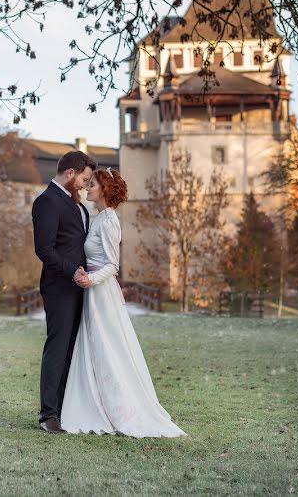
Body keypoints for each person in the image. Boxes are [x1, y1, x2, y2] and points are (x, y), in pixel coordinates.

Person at [60, 167, 186, 438]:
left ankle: (119, 409)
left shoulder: (108, 221)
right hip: (93, 290)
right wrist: (84, 273)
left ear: (104, 190)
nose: (86, 188)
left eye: (91, 184)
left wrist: (90, 280)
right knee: (96, 346)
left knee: (107, 348)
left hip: (101, 293)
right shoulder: (98, 218)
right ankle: (96, 401)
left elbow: (112, 265)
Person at [31, 150, 96, 434]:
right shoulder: (46, 202)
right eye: (84, 178)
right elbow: (44, 250)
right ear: (70, 173)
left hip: (82, 287)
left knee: (72, 349)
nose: (84, 184)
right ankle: (48, 415)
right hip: (59, 287)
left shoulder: (79, 207)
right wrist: (72, 271)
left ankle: (65, 408)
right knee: (57, 348)